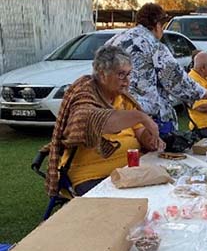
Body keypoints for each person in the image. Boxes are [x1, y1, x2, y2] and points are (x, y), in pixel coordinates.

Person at [46, 46, 163, 197]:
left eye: (129, 74)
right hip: (92, 175)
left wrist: (150, 139)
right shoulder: (84, 94)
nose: (127, 81)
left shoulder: (122, 97)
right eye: (121, 75)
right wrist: (142, 116)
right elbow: (92, 121)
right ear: (102, 74)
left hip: (130, 168)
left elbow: (139, 130)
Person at [106, 3, 207, 136]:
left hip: (114, 114)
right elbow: (177, 80)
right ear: (157, 25)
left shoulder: (112, 42)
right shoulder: (154, 46)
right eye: (162, 27)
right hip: (147, 119)